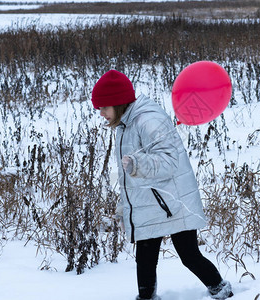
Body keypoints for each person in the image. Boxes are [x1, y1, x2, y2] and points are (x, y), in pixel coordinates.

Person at [91, 69, 233, 300]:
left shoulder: (148, 120)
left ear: (118, 103)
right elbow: (129, 173)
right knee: (145, 256)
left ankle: (222, 290)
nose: (101, 114)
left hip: (174, 200)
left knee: (188, 254)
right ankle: (146, 298)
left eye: (104, 107)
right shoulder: (125, 126)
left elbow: (168, 161)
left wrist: (138, 163)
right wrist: (125, 205)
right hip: (151, 202)